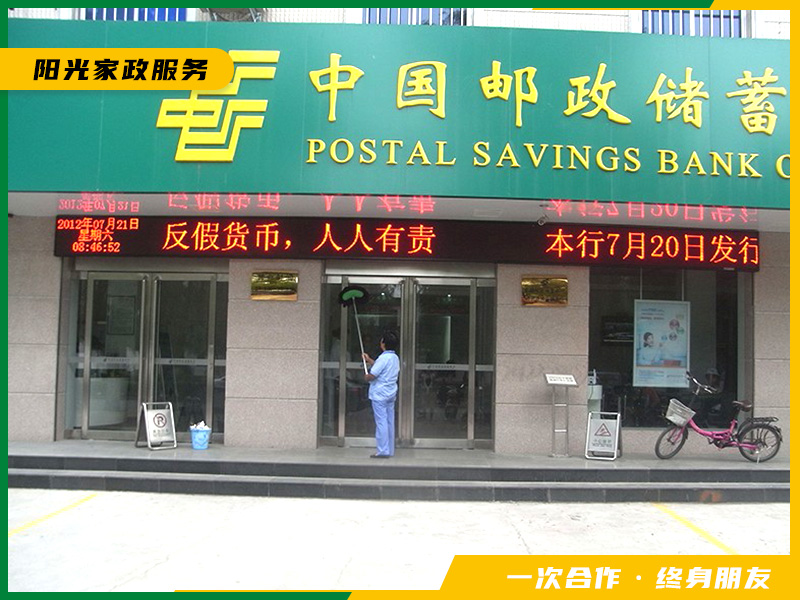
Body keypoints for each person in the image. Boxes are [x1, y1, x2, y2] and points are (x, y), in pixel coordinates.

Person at [362, 330, 400, 458]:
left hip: (380, 395)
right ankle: (390, 449)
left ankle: (383, 451)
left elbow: (373, 375)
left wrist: (367, 377)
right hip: (390, 393)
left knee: (381, 422)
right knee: (389, 421)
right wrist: (369, 360)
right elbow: (380, 367)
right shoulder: (394, 358)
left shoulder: (383, 358)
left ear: (383, 343)